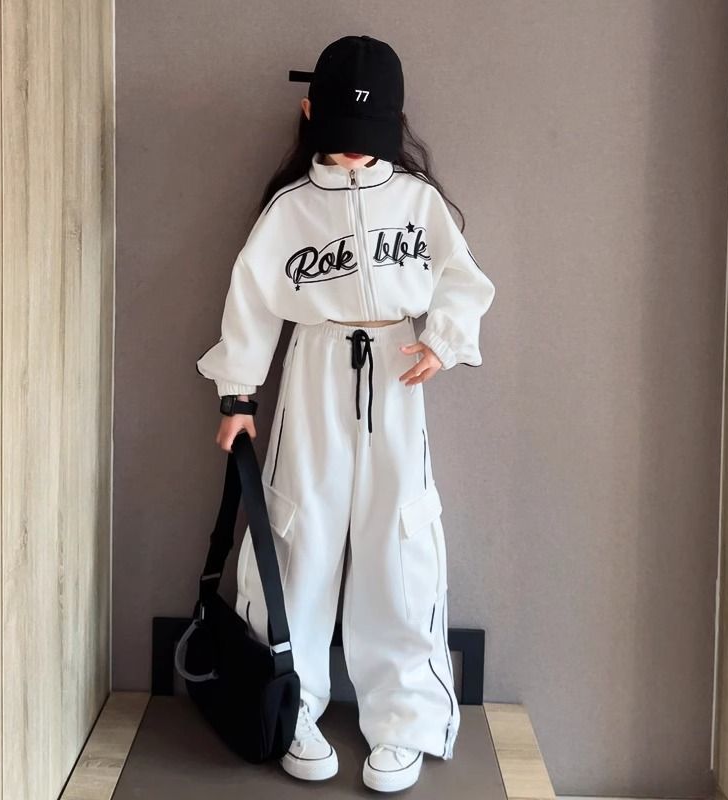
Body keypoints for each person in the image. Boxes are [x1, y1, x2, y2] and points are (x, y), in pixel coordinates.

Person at [196, 34, 495, 793]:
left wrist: (443, 341)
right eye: (340, 134)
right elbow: (252, 301)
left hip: (397, 368)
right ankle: (288, 704)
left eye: (369, 137)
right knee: (299, 531)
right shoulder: (292, 208)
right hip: (316, 368)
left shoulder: (418, 201)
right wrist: (238, 394)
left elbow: (462, 280)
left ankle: (405, 719)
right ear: (309, 115)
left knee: (402, 538)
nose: (356, 151)